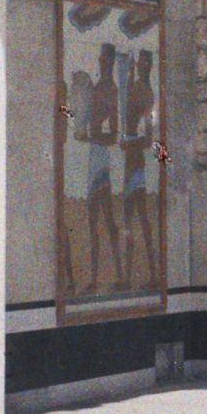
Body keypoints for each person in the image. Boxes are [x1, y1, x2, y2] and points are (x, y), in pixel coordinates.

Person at [119, 48, 160, 290]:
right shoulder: (135, 89)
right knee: (134, 219)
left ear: (149, 67)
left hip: (136, 164)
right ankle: (132, 276)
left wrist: (128, 143)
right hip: (130, 163)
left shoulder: (146, 93)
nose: (141, 68)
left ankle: (145, 275)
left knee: (137, 219)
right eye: (138, 64)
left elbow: (147, 140)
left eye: (145, 64)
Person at [84, 44, 122, 290]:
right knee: (92, 221)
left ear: (110, 62)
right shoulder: (97, 88)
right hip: (93, 157)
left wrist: (95, 135)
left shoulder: (111, 90)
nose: (101, 63)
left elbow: (113, 136)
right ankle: (96, 279)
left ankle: (118, 276)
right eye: (100, 59)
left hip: (101, 162)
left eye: (105, 60)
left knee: (106, 219)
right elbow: (79, 119)